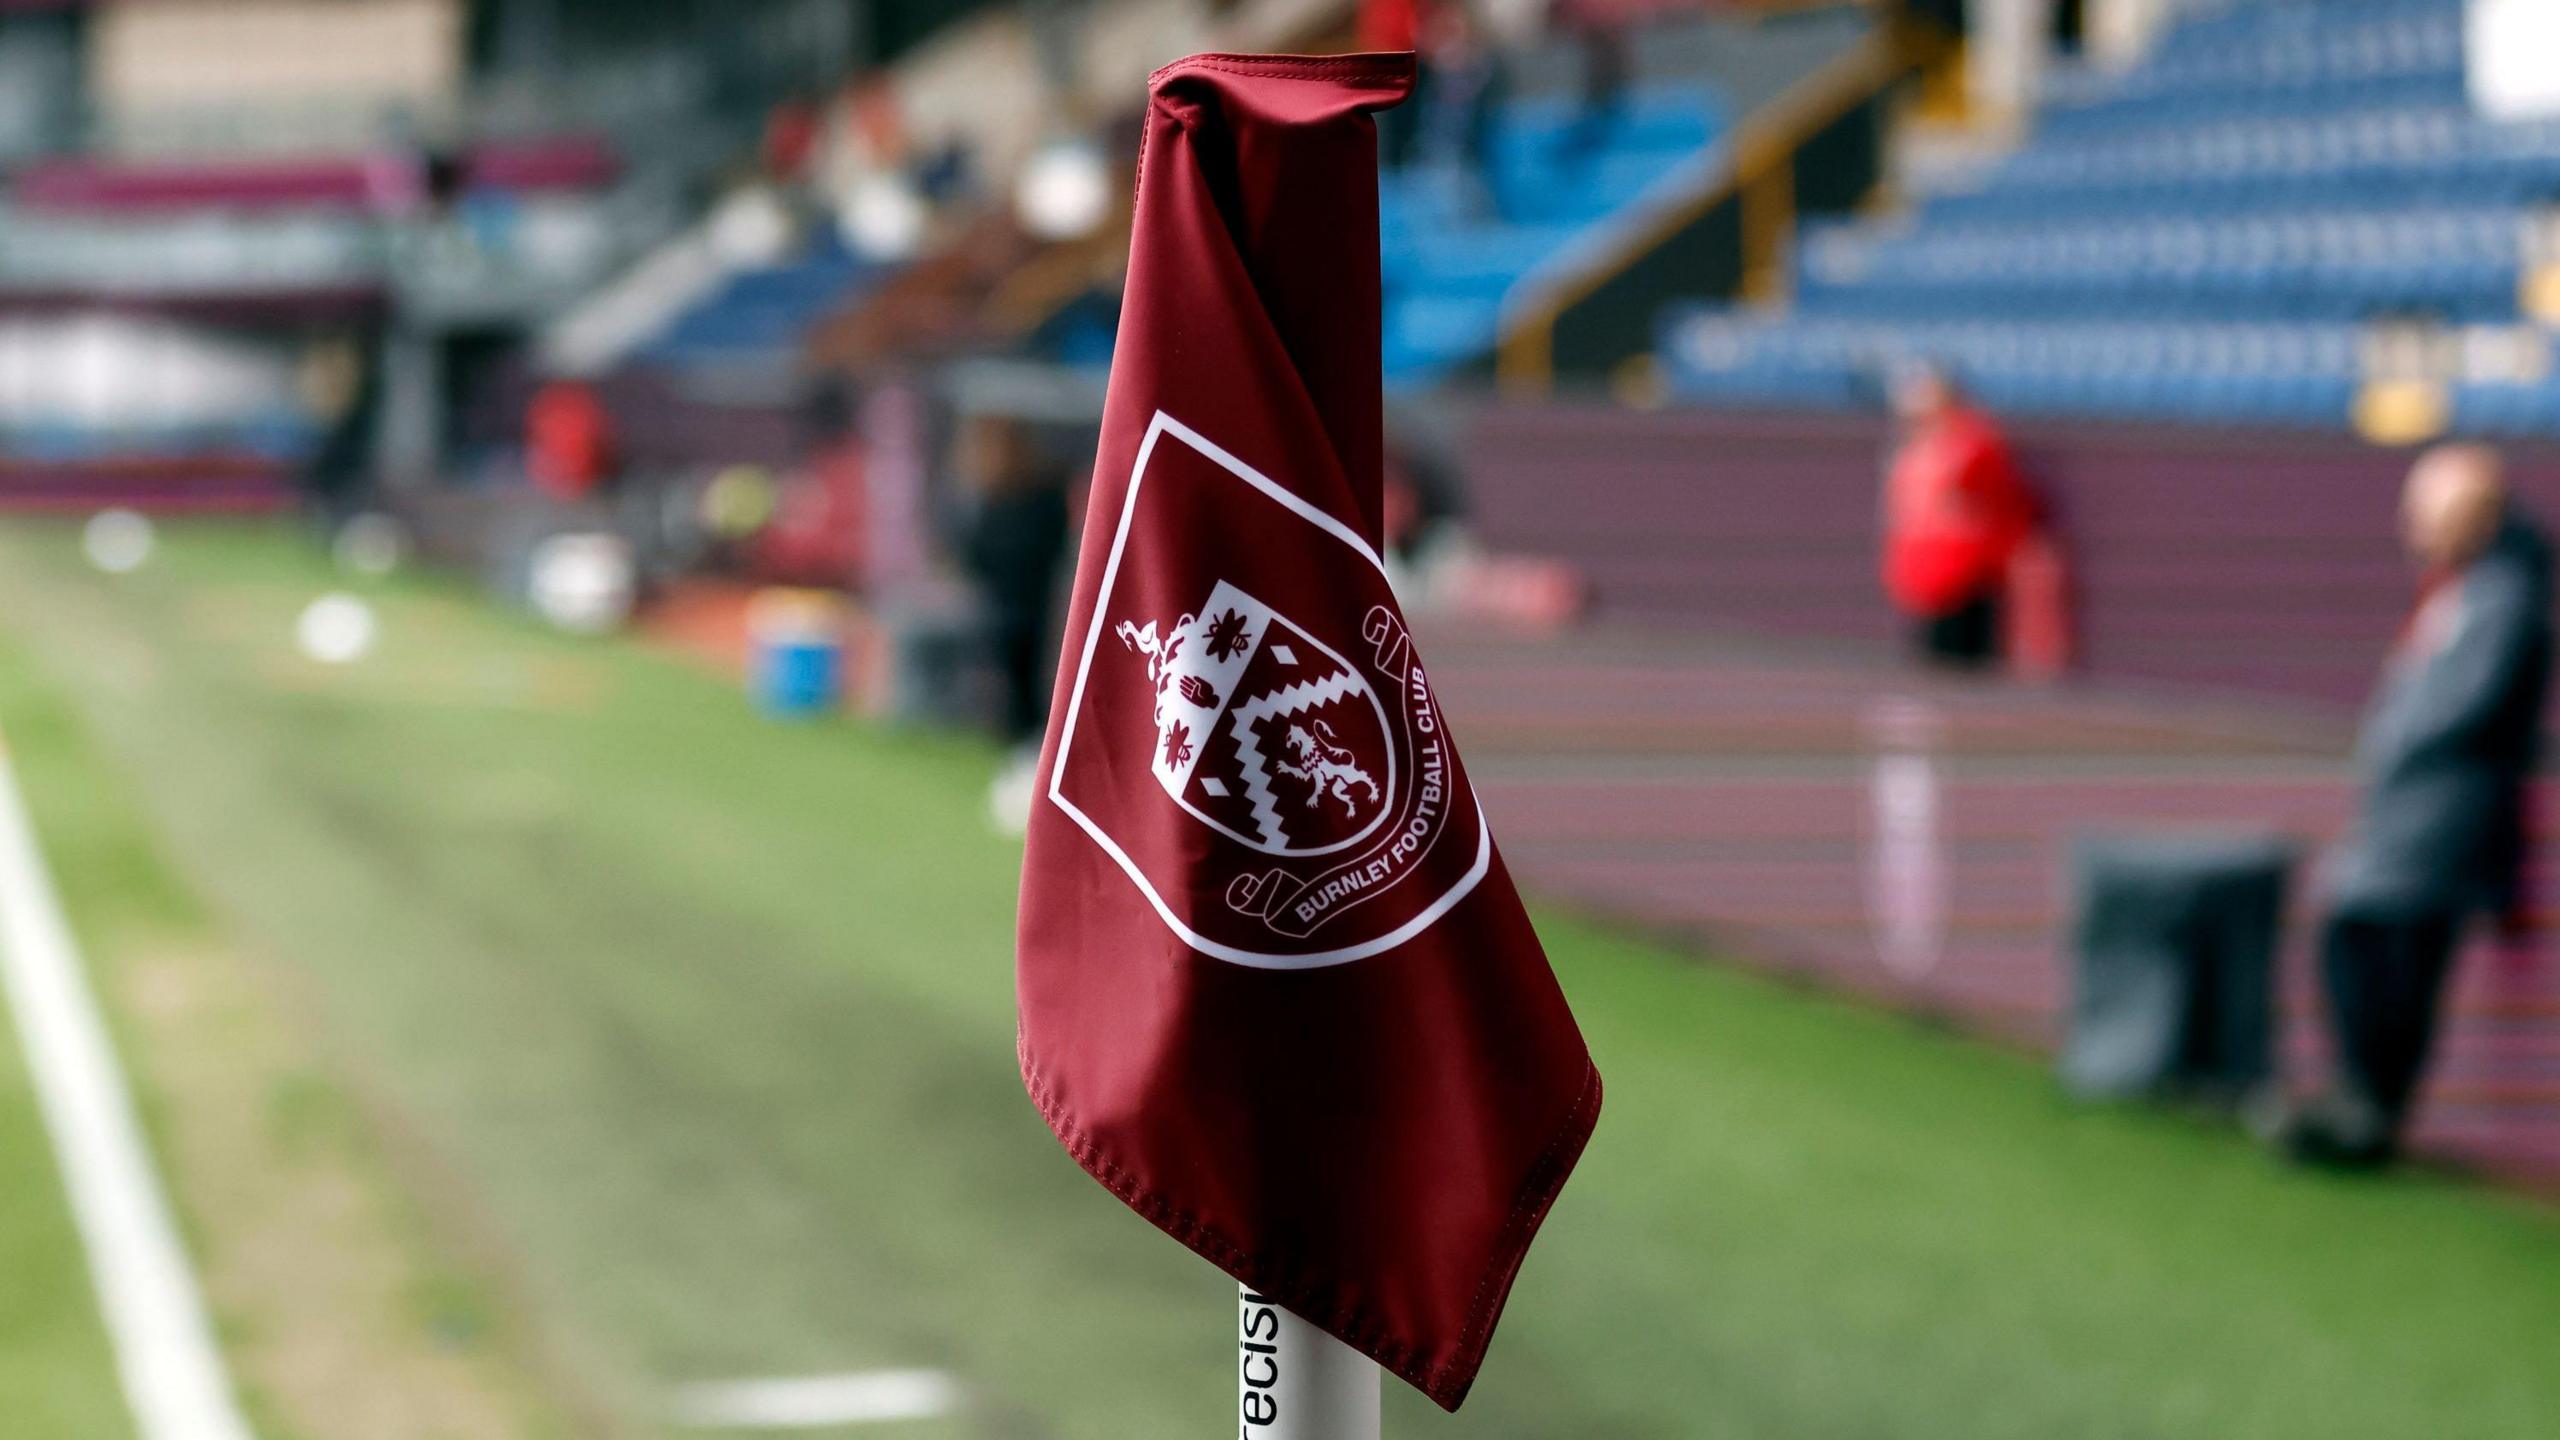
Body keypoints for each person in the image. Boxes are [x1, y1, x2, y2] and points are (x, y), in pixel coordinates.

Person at [2280, 444, 2553, 1167]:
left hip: (2444, 823)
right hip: (2403, 818)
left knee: (2397, 961)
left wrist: (2395, 745)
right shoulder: (2467, 588)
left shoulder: (2504, 596)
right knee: (2354, 942)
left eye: (2426, 512)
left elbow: (2462, 706)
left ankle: (2373, 1108)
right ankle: (2357, 1096)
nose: (2411, 528)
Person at [1879, 363, 2038, 669]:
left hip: (1965, 572)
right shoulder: (1915, 448)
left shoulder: (1971, 443)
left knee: (1966, 668)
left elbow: (1994, 504)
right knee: (1933, 662)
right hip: (1926, 572)